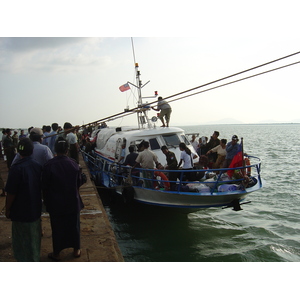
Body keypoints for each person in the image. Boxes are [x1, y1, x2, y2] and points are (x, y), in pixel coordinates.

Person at [42, 137, 85, 261]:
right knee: (74, 226)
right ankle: (76, 249)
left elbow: (44, 185)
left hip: (56, 203)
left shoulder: (49, 165)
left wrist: (46, 200)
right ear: (67, 150)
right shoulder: (74, 164)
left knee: (57, 228)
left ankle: (57, 252)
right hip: (73, 201)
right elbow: (79, 182)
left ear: (55, 149)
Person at [5, 138, 43, 262]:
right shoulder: (38, 166)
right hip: (34, 211)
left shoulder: (16, 169)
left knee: (21, 242)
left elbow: (11, 193)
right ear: (32, 151)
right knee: (34, 240)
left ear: (18, 152)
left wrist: (8, 209)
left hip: (20, 213)